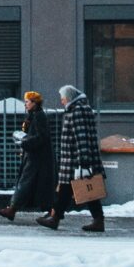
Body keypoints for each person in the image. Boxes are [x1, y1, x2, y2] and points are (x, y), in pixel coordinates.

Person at [36, 84, 105, 233]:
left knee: (83, 190)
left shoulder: (76, 111)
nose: (61, 101)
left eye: (63, 98)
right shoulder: (83, 109)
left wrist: (83, 159)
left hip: (75, 159)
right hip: (78, 159)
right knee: (75, 190)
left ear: (69, 98)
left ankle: (57, 219)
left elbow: (81, 136)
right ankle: (57, 218)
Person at [0, 90, 55, 222]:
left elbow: (41, 137)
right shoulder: (34, 115)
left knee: (25, 183)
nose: (25, 104)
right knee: (38, 186)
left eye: (27, 102)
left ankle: (12, 209)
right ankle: (52, 212)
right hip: (35, 157)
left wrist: (25, 142)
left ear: (34, 103)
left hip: (36, 158)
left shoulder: (39, 116)